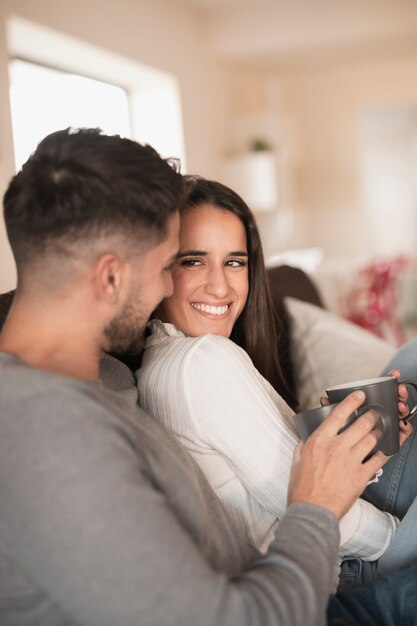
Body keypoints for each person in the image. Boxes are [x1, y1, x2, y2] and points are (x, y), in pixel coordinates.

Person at [0, 128, 416, 626]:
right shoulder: (48, 439)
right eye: (166, 265)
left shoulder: (106, 375)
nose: (164, 290)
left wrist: (317, 437)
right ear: (111, 277)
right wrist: (316, 506)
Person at [137, 175, 416, 585]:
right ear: (161, 269)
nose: (220, 286)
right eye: (193, 260)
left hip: (338, 527)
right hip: (350, 562)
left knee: (409, 366)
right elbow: (302, 505)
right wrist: (399, 543)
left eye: (234, 262)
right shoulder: (203, 361)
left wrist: (338, 433)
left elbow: (280, 468)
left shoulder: (159, 363)